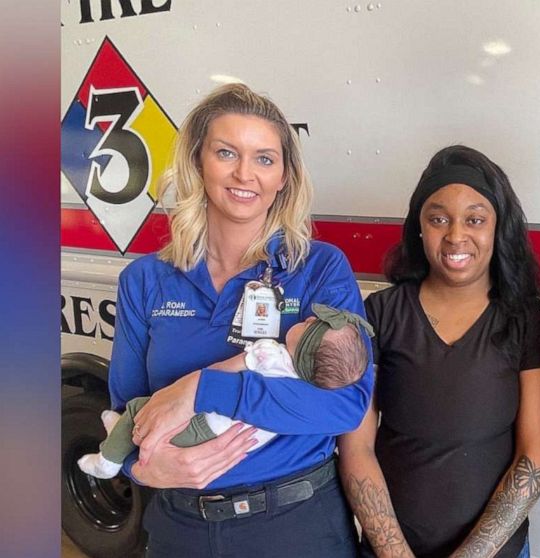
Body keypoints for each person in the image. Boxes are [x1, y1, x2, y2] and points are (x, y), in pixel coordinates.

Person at [108, 83, 373, 557]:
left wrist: (200, 389)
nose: (244, 173)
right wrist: (141, 470)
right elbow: (127, 406)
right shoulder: (145, 280)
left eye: (264, 158)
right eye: (226, 152)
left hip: (296, 526)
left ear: (284, 176)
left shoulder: (319, 269)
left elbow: (344, 406)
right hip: (180, 525)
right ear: (197, 162)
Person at [338, 145, 540, 558]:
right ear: (419, 227)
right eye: (438, 218)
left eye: (475, 219)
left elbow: (535, 456)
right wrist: (395, 553)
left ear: (497, 227)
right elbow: (356, 446)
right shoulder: (380, 314)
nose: (456, 235)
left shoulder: (526, 322)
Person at [78, 304, 372, 479]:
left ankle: (108, 459)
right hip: (233, 444)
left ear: (307, 348)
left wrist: (194, 387)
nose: (307, 317)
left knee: (138, 410)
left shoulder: (269, 352)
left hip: (205, 425)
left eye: (310, 325)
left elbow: (223, 369)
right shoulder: (312, 383)